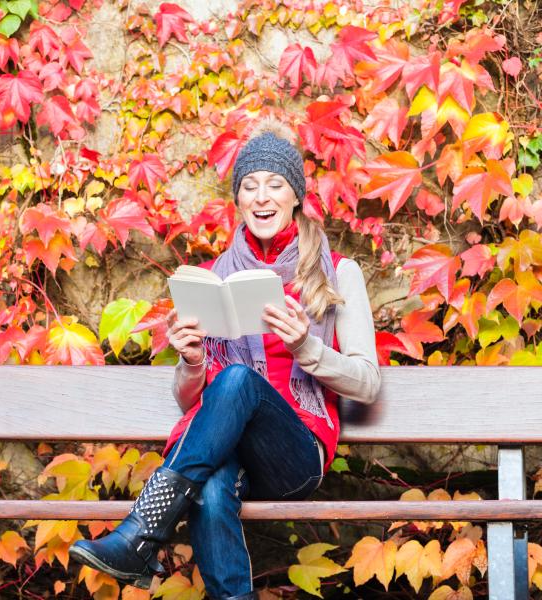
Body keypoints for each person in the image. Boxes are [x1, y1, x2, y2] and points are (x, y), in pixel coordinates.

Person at [69, 119, 381, 600]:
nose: (262, 197)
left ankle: (140, 532)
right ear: (237, 199)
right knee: (212, 486)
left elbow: (367, 383)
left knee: (236, 379)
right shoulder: (217, 275)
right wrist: (191, 360)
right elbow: (191, 399)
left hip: (295, 457)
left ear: (296, 196)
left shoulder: (338, 272)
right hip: (227, 455)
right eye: (250, 186)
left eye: (275, 185)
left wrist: (307, 349)